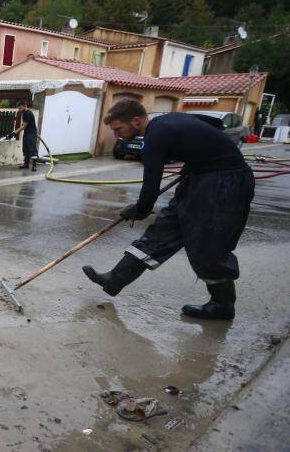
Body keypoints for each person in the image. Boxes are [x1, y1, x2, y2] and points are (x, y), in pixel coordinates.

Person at [82, 100, 255, 320]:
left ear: (136, 121)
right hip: (200, 177)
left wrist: (139, 210)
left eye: (118, 129)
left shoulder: (155, 136)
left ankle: (222, 305)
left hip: (223, 183)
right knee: (163, 230)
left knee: (207, 244)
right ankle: (114, 279)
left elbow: (151, 182)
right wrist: (196, 161)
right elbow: (213, 124)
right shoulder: (169, 120)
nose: (116, 135)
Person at [12, 101, 39, 171]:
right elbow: (24, 125)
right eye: (19, 108)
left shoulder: (28, 113)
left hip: (31, 134)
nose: (19, 110)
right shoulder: (24, 113)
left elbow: (24, 126)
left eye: (20, 108)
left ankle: (34, 166)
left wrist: (16, 132)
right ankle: (26, 164)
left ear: (25, 106)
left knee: (32, 150)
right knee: (26, 149)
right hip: (27, 133)